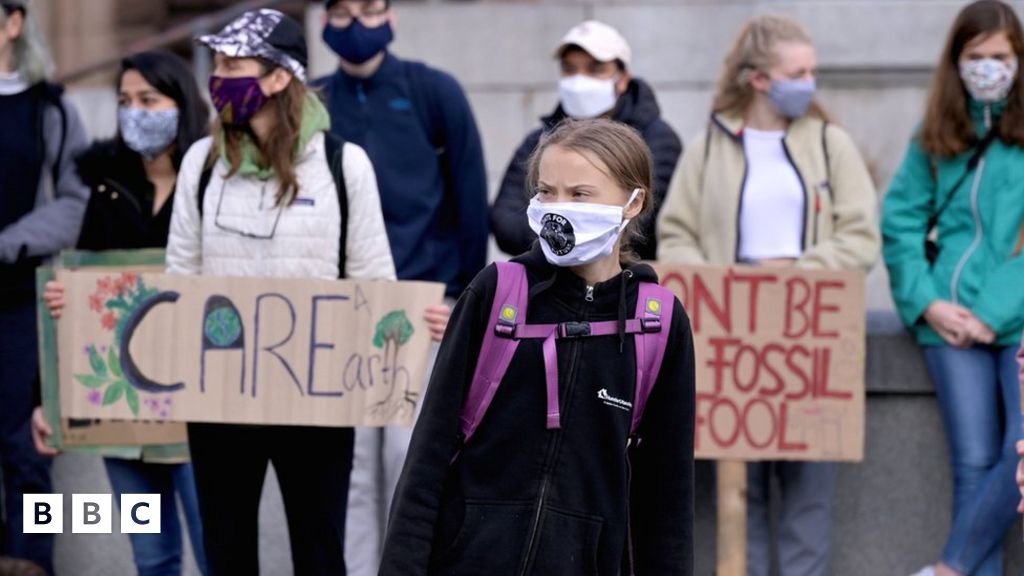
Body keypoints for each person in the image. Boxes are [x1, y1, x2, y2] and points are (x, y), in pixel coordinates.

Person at [380, 118, 696, 575]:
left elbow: (665, 497)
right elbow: (427, 458)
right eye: (547, 191)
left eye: (580, 194)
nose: (558, 208)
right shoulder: (495, 293)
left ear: (634, 202)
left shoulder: (660, 323)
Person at [164, 9, 400, 574]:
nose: (219, 77)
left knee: (320, 552)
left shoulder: (344, 166)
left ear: (278, 77)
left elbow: (373, 279)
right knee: (227, 550)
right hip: (221, 399)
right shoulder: (201, 163)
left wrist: (404, 332)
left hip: (316, 403)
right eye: (216, 64)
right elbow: (181, 277)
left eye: (233, 64)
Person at [657, 14, 879, 576]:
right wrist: (727, 282)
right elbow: (675, 233)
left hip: (810, 343)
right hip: (736, 346)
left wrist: (801, 272)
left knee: (810, 498)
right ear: (759, 78)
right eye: (797, 71)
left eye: (812, 70)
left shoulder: (831, 145)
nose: (809, 81)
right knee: (739, 495)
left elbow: (860, 235)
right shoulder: (708, 149)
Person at [312, 1, 486, 572]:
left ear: (393, 16)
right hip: (339, 316)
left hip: (421, 312)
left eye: (370, 8)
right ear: (323, 22)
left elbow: (469, 199)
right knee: (351, 473)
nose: (356, 23)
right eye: (341, 12)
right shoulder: (314, 103)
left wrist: (461, 300)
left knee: (408, 463)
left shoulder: (434, 92)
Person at [30, 50, 209, 576]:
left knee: (218, 551)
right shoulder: (105, 190)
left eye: (148, 100)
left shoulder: (214, 185)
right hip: (122, 413)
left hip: (201, 413)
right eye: (125, 101)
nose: (135, 111)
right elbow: (79, 293)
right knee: (151, 558)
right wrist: (49, 398)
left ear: (180, 104)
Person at [882, 1, 1024, 574]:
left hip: (1013, 319)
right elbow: (900, 221)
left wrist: (992, 311)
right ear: (956, 62)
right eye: (976, 57)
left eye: (1001, 57)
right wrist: (928, 302)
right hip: (947, 318)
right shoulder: (936, 133)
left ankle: (948, 569)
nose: (989, 67)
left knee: (1018, 452)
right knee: (972, 462)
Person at [0, 1, 89, 572]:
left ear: (13, 24)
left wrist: (8, 242)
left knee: (27, 450)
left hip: (19, 303)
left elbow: (78, 202)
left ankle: (32, 564)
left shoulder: (50, 107)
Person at [490, 20, 682, 260]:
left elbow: (643, 225)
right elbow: (506, 223)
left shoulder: (656, 138)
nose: (580, 80)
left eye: (595, 68)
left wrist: (551, 231)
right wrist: (577, 235)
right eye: (569, 68)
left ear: (622, 79)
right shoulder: (538, 140)